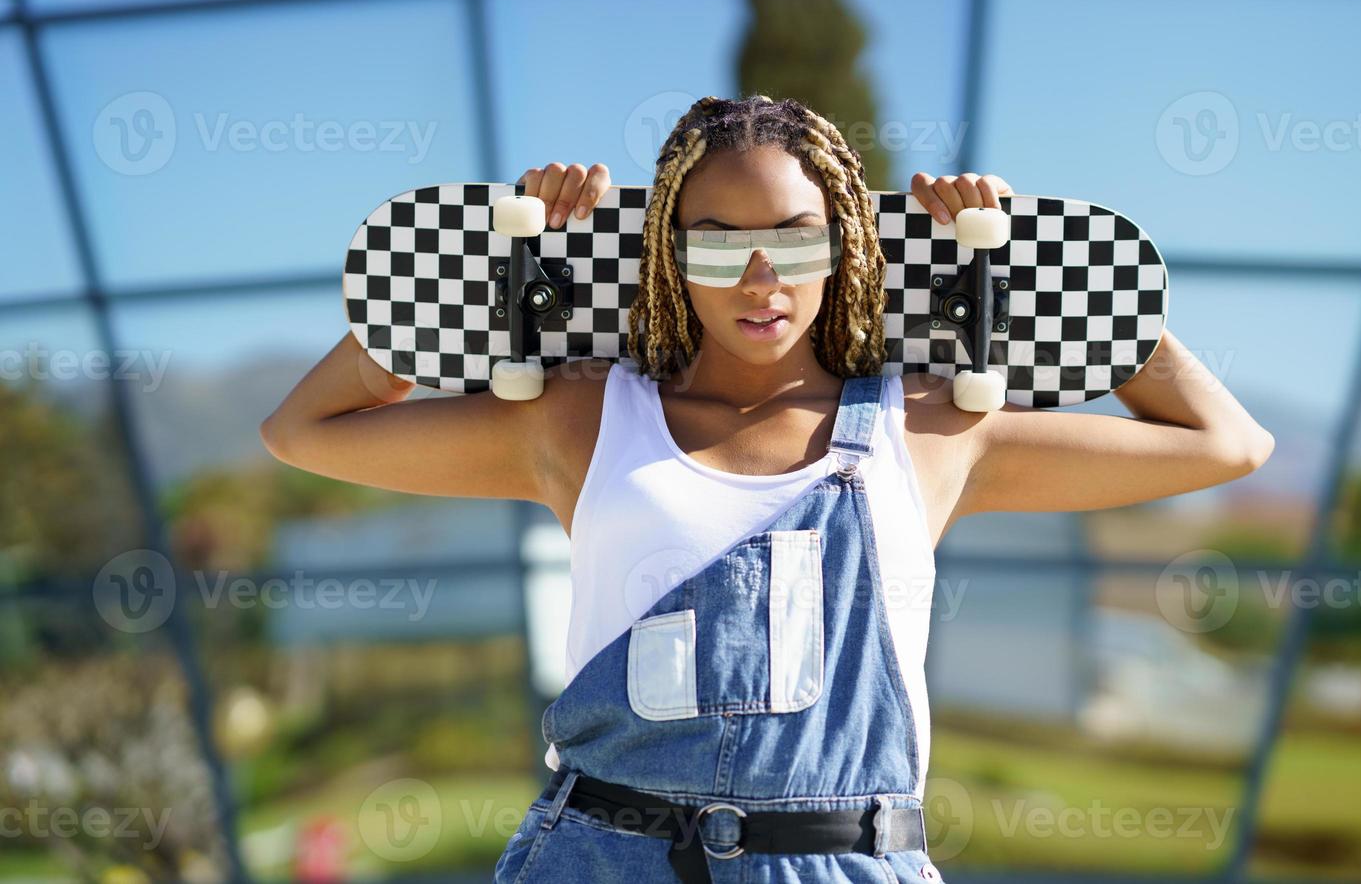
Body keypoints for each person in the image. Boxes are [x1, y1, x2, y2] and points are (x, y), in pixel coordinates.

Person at [261, 94, 1273, 883]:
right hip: (603, 853)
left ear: (847, 247)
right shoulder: (576, 418)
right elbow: (303, 429)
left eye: (794, 236)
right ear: (667, 250)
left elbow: (1227, 441)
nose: (758, 276)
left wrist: (1040, 262)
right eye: (715, 239)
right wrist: (495, 262)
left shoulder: (933, 430)